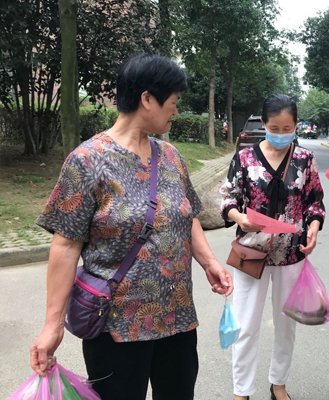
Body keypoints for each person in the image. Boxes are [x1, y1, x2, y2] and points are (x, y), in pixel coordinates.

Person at [29, 53, 233, 400]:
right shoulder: (87, 161)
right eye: (173, 102)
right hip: (116, 327)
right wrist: (52, 325)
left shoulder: (170, 157)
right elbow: (65, 245)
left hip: (177, 318)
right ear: (147, 99)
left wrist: (210, 261)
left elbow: (187, 215)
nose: (176, 110)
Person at [220, 94, 326, 400]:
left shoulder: (304, 159)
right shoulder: (244, 158)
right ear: (264, 124)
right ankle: (242, 391)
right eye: (275, 128)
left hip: (291, 253)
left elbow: (315, 202)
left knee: (285, 325)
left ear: (296, 125)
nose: (281, 134)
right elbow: (228, 198)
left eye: (287, 128)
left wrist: (313, 228)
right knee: (245, 325)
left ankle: (278, 384)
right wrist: (239, 217)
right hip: (251, 253)